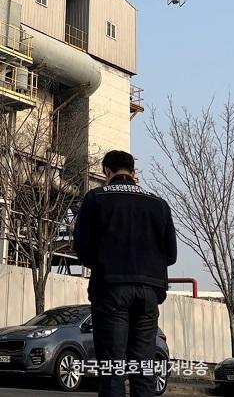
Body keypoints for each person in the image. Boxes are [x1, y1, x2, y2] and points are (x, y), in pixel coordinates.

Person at [73, 150, 177, 397]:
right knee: (143, 368)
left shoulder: (96, 198)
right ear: (133, 172)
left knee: (112, 368)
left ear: (106, 172)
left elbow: (81, 247)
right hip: (149, 292)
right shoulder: (159, 204)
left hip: (111, 289)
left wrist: (101, 264)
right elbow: (171, 255)